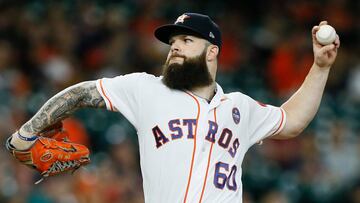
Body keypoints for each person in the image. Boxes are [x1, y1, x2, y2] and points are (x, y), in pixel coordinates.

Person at [7, 13, 340, 203]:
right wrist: (28, 132)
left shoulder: (239, 107)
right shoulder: (146, 89)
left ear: (212, 53)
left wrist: (320, 68)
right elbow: (82, 92)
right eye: (173, 43)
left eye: (187, 41)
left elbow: (293, 120)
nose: (175, 48)